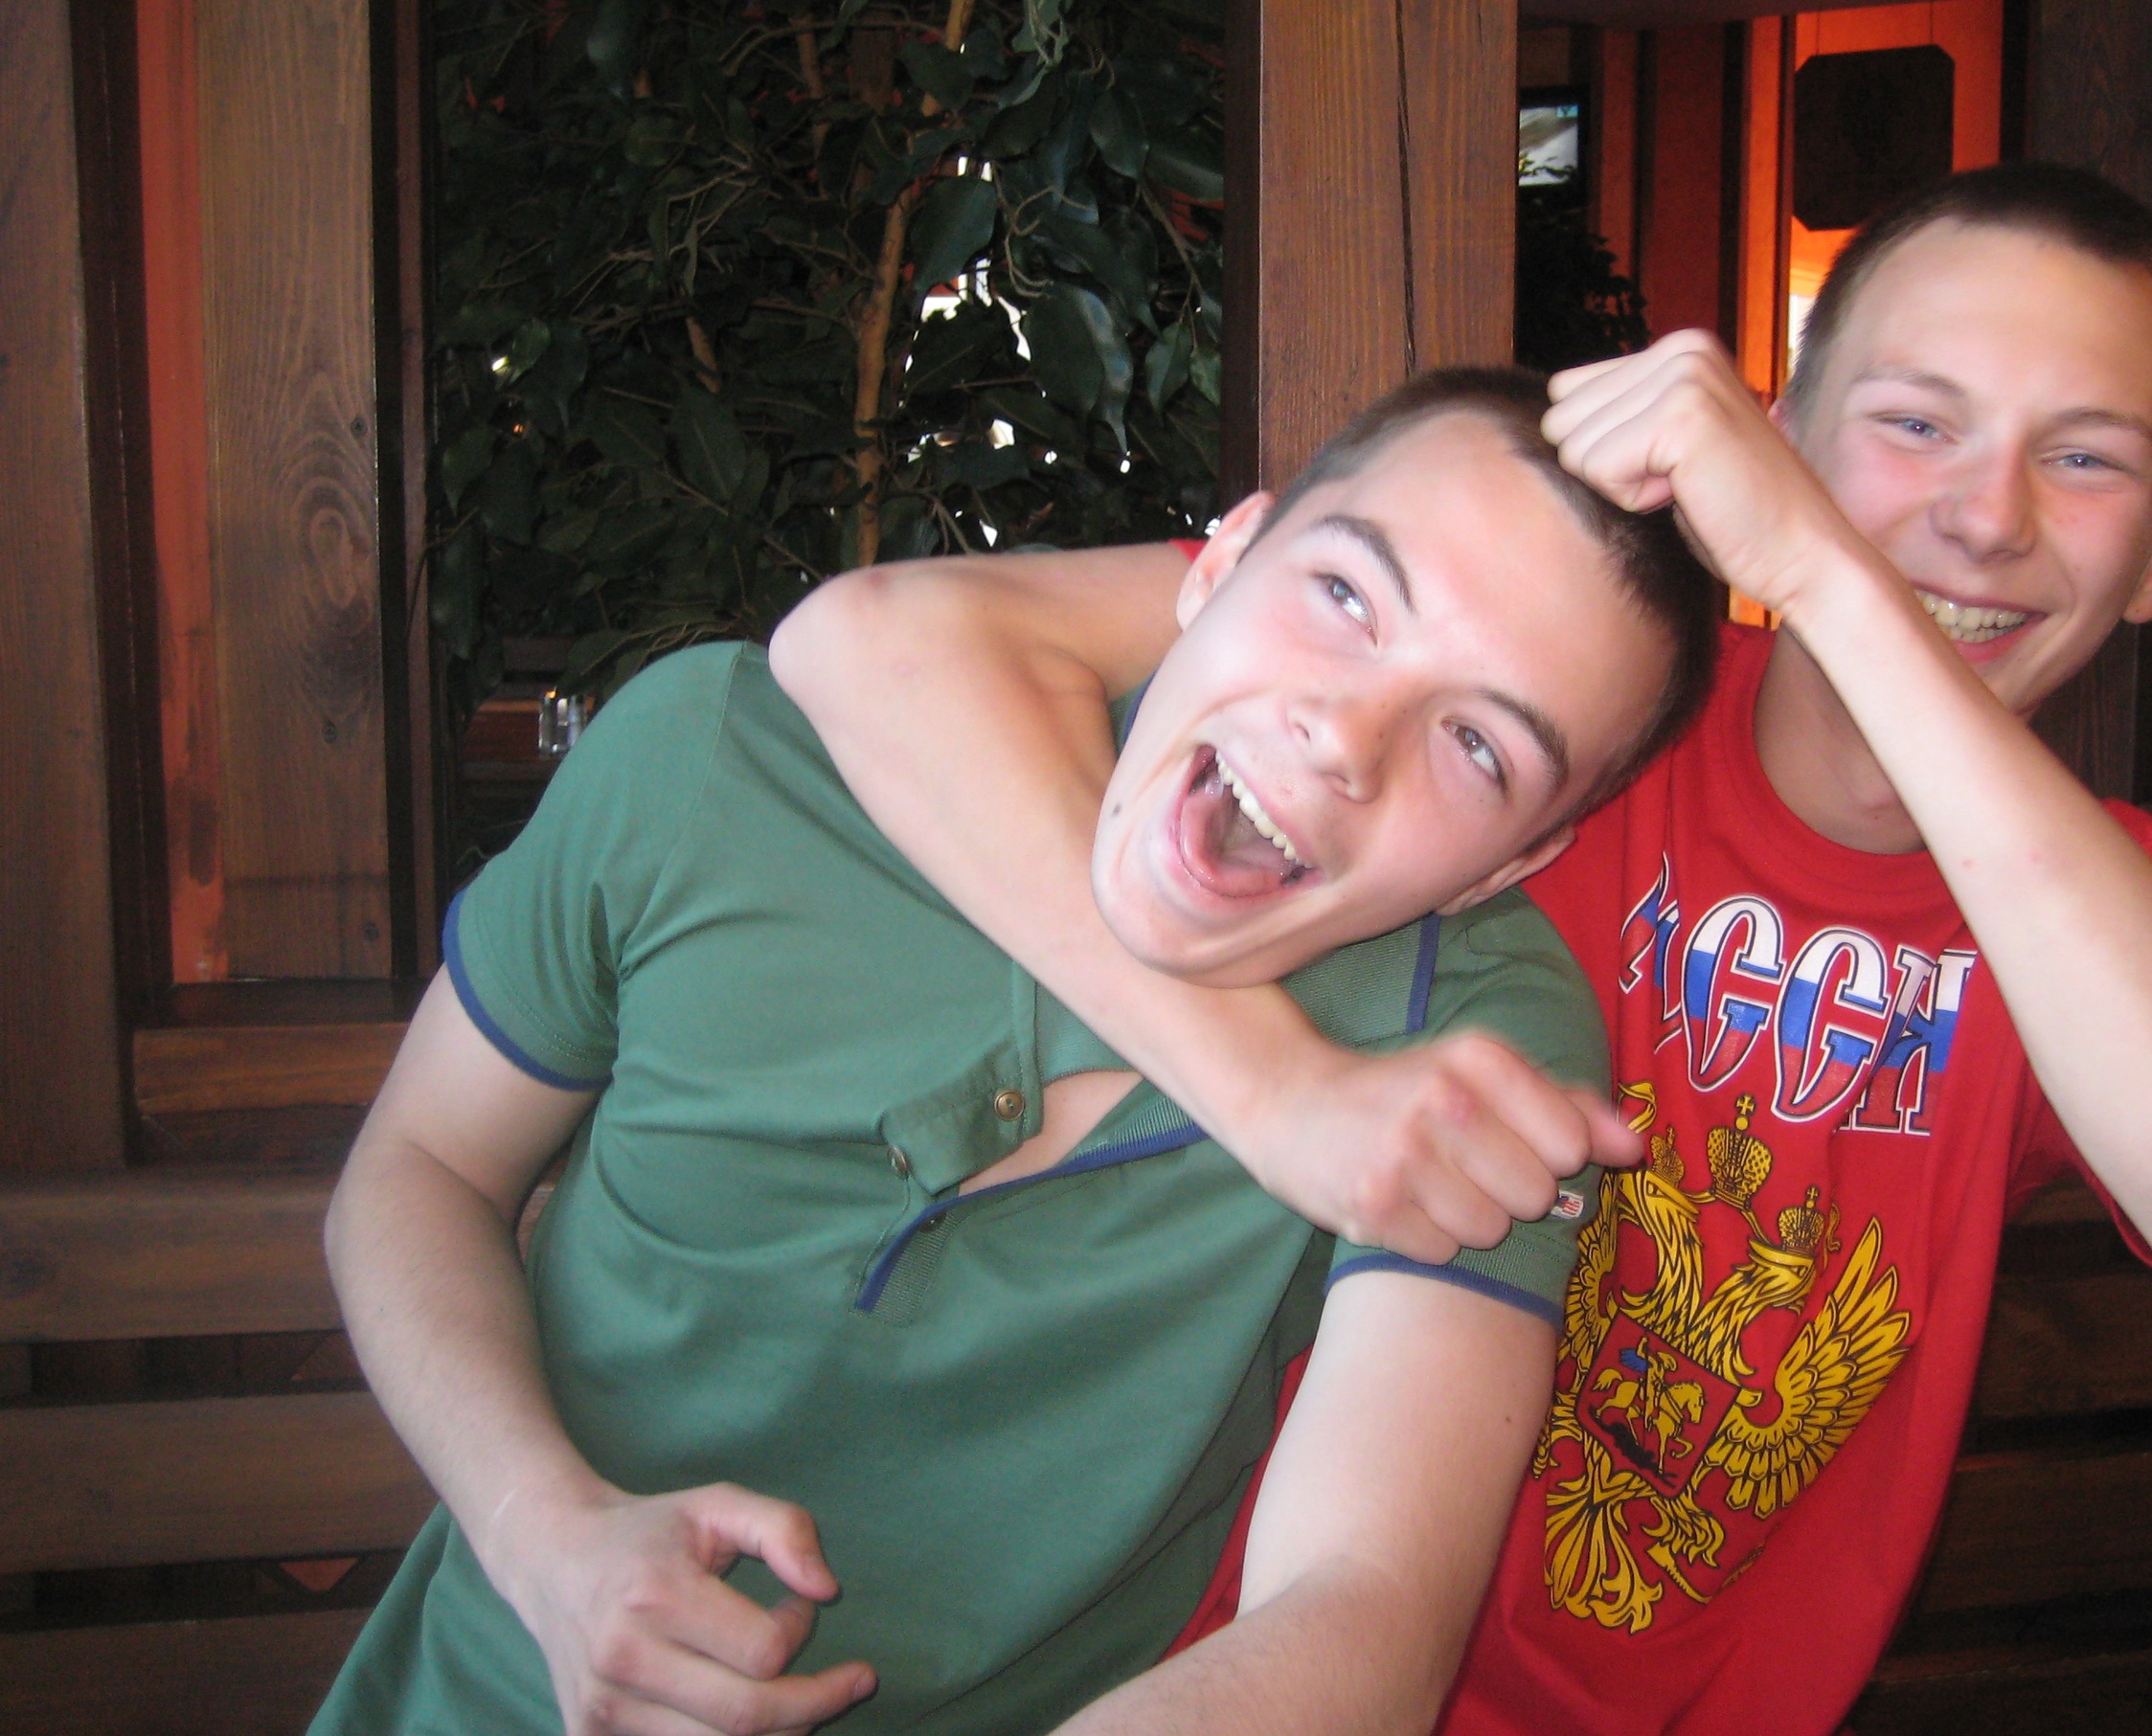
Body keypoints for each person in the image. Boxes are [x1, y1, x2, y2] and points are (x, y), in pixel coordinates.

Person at [766, 163, 2152, 1734]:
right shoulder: (1569, 697)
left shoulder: (2094, 911)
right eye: (1915, 424)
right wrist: (1277, 1093)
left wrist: (1829, 574)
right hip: (1236, 1664)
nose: (1985, 517)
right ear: (1782, 442)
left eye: (2084, 459)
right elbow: (884, 643)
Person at [310, 369, 1727, 1736]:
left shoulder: (1473, 1042)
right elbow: (424, 1166)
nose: (1345, 737)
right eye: (1346, 595)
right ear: (1222, 559)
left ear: (1513, 863)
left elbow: (1363, 1618)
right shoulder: (718, 755)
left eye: (1478, 748)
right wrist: (543, 1540)